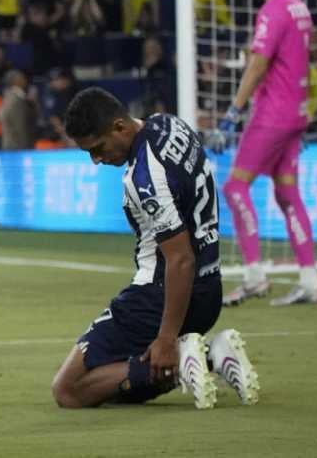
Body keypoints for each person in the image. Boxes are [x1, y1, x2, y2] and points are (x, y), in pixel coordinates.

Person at [52, 87, 259, 409]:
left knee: (70, 389)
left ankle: (187, 357)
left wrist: (165, 339)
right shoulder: (170, 125)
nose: (96, 160)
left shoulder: (145, 176)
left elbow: (180, 260)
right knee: (120, 389)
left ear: (119, 127)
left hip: (161, 297)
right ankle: (210, 358)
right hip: (209, 292)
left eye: (97, 148)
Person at [207, 0, 317, 307]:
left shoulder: (272, 10)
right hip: (296, 113)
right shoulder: (299, 7)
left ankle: (255, 276)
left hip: (272, 115)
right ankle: (310, 279)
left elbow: (258, 65)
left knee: (235, 187)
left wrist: (232, 112)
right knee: (287, 193)